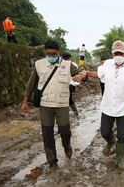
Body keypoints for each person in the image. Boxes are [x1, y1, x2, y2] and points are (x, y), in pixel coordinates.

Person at [76, 40, 124, 169]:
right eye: (116, 53)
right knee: (105, 132)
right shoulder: (107, 65)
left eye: (121, 53)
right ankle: (110, 142)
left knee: (122, 136)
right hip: (107, 106)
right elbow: (99, 75)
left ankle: (120, 159)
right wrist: (87, 73)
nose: (118, 56)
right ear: (112, 53)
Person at [21, 40, 80, 168]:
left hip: (62, 104)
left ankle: (67, 146)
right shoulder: (38, 65)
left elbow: (80, 74)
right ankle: (52, 161)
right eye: (48, 53)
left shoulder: (67, 64)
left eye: (54, 54)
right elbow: (31, 85)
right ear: (45, 52)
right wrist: (25, 102)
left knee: (65, 131)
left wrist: (80, 76)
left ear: (58, 52)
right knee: (47, 134)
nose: (51, 56)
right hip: (45, 104)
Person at [62, 52, 80, 116]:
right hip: (63, 84)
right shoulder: (61, 65)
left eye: (67, 59)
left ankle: (75, 112)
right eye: (65, 60)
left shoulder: (73, 65)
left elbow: (78, 75)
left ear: (70, 59)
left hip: (71, 84)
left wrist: (77, 86)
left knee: (68, 98)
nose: (66, 61)